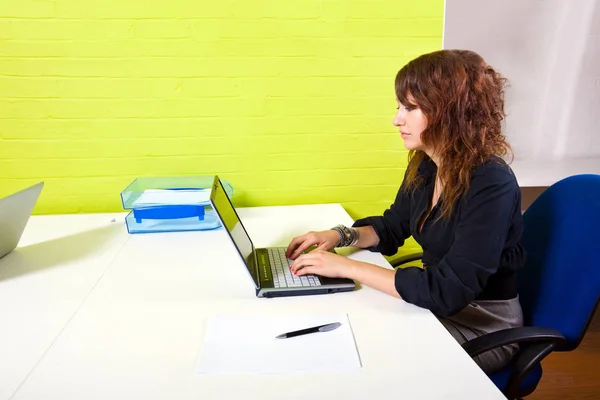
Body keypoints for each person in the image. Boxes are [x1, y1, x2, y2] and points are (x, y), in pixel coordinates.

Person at [285, 49, 525, 374]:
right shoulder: (428, 163)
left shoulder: (490, 182)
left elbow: (447, 290)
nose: (397, 119)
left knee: (364, 355)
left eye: (411, 108)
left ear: (449, 111)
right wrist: (338, 235)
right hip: (434, 306)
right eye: (400, 106)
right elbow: (392, 226)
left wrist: (346, 268)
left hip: (482, 324)